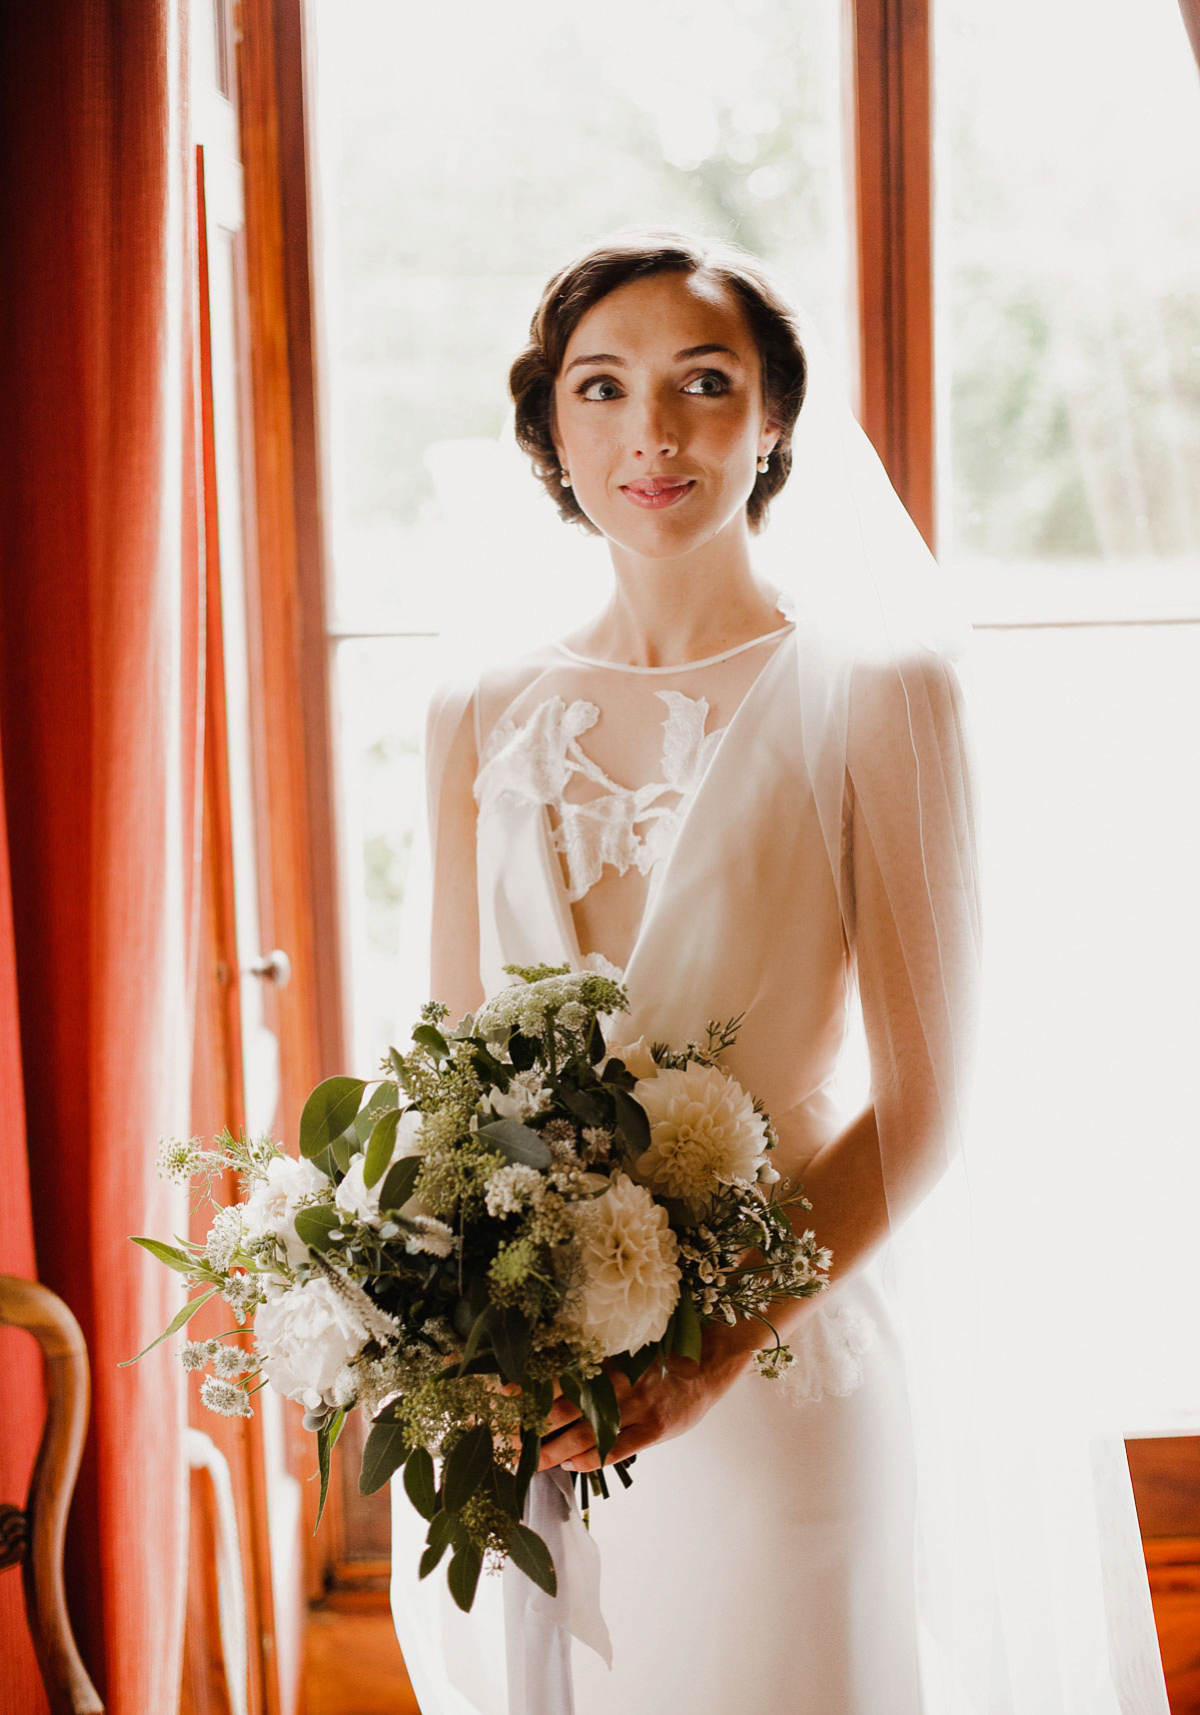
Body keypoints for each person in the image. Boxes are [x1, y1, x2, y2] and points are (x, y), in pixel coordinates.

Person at [389, 231, 1158, 1715]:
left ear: (777, 418)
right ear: (549, 426)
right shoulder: (476, 708)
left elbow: (927, 1104)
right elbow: (448, 1079)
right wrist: (454, 1337)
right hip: (538, 1392)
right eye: (602, 388)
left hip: (784, 1370)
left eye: (705, 384)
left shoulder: (877, 690)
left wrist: (707, 1352)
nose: (653, 433)